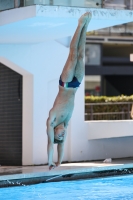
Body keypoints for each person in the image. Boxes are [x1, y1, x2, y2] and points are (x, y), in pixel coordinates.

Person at [46, 12, 92, 170]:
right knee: (80, 56)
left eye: (59, 135)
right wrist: (60, 161)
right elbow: (61, 146)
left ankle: (80, 23)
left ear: (54, 132)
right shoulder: (65, 123)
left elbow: (52, 145)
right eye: (62, 136)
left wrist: (50, 161)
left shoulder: (52, 119)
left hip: (65, 84)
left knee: (72, 56)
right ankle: (86, 26)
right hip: (76, 84)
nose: (62, 134)